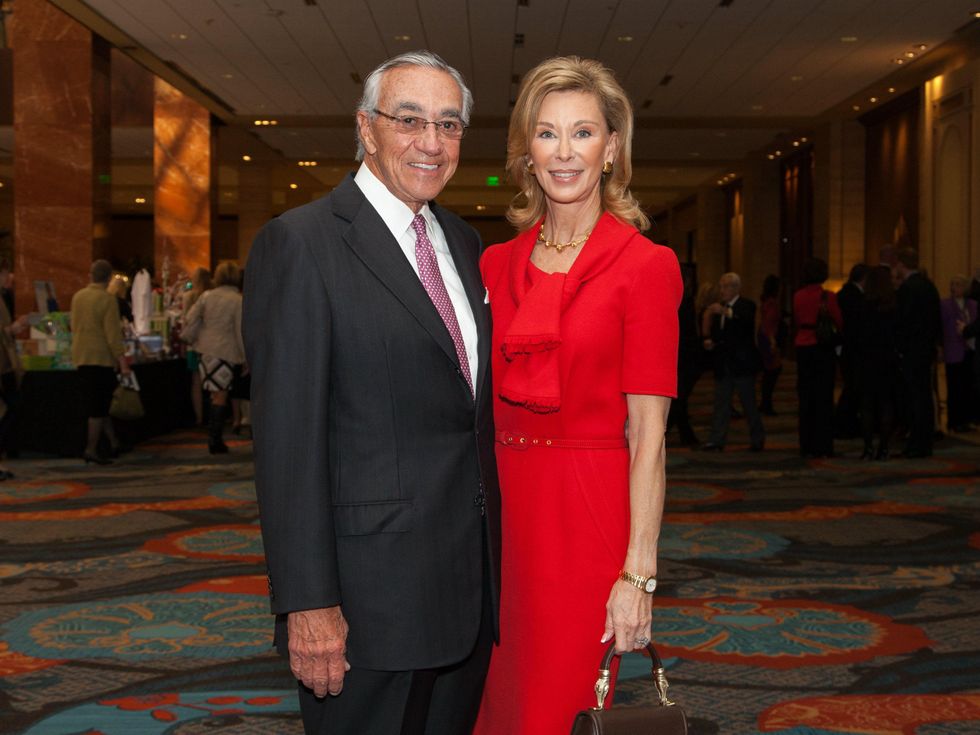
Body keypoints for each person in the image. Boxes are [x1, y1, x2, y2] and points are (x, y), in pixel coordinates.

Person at [242, 51, 499, 735]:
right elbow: (287, 446)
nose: (431, 142)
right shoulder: (301, 244)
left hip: (468, 591)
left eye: (449, 125)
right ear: (366, 127)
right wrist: (309, 603)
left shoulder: (468, 242)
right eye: (409, 120)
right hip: (366, 606)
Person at [474, 56, 681, 734]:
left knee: (554, 710)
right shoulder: (494, 263)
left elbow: (648, 437)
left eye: (583, 133)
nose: (564, 152)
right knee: (488, 707)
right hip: (496, 519)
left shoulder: (646, 267)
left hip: (586, 523)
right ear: (526, 152)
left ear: (612, 148)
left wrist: (638, 574)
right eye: (547, 133)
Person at [70, 259, 132, 464]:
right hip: (101, 358)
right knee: (98, 407)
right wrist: (122, 362)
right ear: (108, 278)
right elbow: (113, 335)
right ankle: (91, 449)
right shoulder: (107, 300)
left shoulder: (78, 297)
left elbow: (74, 326)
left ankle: (113, 442)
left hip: (81, 356)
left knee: (101, 404)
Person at [184, 261, 244, 455]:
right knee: (221, 395)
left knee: (213, 393)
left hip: (205, 350)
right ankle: (214, 439)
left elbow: (190, 318)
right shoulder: (237, 300)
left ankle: (213, 436)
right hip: (225, 352)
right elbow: (240, 331)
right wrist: (245, 356)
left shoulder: (206, 296)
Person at [701, 272, 765, 452]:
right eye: (721, 286)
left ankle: (757, 439)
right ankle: (716, 440)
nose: (721, 290)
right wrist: (710, 342)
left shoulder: (746, 305)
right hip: (724, 364)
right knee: (721, 404)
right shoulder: (719, 309)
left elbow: (744, 322)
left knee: (749, 404)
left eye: (725, 286)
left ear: (736, 288)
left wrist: (726, 312)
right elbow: (720, 334)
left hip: (742, 365)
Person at [894, 248, 941, 457]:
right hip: (926, 348)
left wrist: (900, 348)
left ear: (901, 265)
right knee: (924, 395)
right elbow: (935, 320)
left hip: (912, 349)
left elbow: (903, 322)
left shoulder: (907, 288)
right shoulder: (930, 286)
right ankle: (925, 441)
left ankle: (915, 443)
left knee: (913, 397)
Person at [792, 257, 842, 458]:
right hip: (821, 347)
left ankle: (806, 444)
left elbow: (797, 319)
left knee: (805, 397)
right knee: (823, 397)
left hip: (802, 346)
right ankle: (823, 445)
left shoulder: (797, 296)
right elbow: (839, 320)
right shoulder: (827, 296)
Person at [857, 266, 900, 459]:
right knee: (885, 403)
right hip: (887, 359)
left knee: (867, 404)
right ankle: (883, 447)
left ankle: (867, 447)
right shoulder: (892, 306)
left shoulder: (864, 305)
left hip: (867, 359)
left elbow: (858, 335)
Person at [668, 265, 701, 445]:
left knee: (680, 400)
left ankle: (685, 436)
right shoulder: (681, 302)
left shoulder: (686, 300)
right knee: (679, 401)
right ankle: (686, 436)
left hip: (685, 358)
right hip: (681, 358)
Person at [835, 263, 869, 437]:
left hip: (845, 348)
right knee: (853, 387)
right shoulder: (857, 297)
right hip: (854, 348)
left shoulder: (842, 294)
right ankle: (844, 423)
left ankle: (845, 422)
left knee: (851, 386)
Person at [939, 275, 976, 432]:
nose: (955, 288)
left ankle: (966, 420)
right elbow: (940, 327)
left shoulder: (973, 305)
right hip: (953, 349)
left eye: (959, 285)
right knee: (954, 386)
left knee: (968, 386)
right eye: (953, 284)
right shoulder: (945, 305)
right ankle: (954, 421)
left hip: (970, 349)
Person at [0, 292, 29, 479]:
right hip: (3, 365)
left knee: (12, 409)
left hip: (5, 364)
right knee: (10, 408)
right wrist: (11, 329)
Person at [181, 266, 213, 425]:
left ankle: (199, 417)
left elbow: (185, 320)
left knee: (196, 382)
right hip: (209, 345)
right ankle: (213, 416)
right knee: (212, 382)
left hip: (193, 345)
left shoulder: (189, 296)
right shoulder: (212, 297)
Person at [757, 274, 784, 416]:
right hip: (769, 338)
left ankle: (765, 403)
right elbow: (768, 324)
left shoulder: (766, 301)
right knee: (773, 370)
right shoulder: (772, 303)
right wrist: (772, 341)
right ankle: (766, 404)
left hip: (764, 337)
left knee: (769, 372)